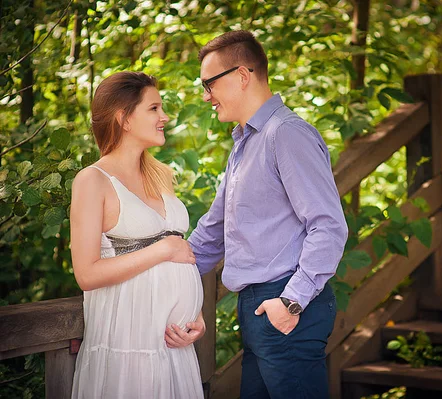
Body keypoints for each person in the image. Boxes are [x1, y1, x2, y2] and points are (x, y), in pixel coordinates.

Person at [188, 30, 348, 399]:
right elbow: (213, 232)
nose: (205, 95)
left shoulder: (286, 134)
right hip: (258, 311)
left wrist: (291, 301)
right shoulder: (244, 144)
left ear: (242, 76)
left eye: (209, 83)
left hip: (287, 305)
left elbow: (328, 226)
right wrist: (156, 275)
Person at [70, 71, 206, 398]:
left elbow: (177, 254)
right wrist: (162, 251)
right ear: (124, 118)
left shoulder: (160, 177)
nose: (165, 116)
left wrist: (195, 316)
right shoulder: (93, 180)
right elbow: (86, 274)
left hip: (174, 349)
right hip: (128, 349)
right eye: (154, 108)